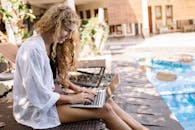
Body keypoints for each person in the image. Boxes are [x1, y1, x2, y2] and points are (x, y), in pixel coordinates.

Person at [13, 3, 149, 130]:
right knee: (104, 110)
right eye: (67, 30)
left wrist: (79, 90)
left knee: (107, 102)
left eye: (72, 32)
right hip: (36, 111)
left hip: (50, 101)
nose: (69, 36)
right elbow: (38, 96)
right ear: (54, 24)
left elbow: (58, 78)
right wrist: (73, 98)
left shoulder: (50, 45)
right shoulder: (32, 50)